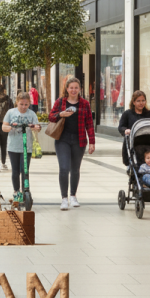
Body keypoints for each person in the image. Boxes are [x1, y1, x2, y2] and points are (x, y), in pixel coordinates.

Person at [48, 77, 95, 210]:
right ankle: (64, 198)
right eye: (71, 87)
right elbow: (51, 117)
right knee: (64, 168)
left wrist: (92, 142)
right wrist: (61, 114)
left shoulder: (85, 104)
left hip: (79, 139)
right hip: (62, 139)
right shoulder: (60, 102)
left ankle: (73, 196)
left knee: (75, 169)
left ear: (79, 89)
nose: (73, 90)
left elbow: (89, 124)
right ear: (67, 89)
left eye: (76, 87)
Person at [2, 92, 41, 194]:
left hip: (26, 147)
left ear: (29, 104)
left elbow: (37, 127)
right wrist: (11, 126)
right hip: (13, 147)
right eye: (21, 104)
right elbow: (4, 127)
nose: (24, 107)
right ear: (17, 102)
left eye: (26, 104)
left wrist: (35, 127)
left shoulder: (31, 114)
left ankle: (25, 190)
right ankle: (16, 191)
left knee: (25, 170)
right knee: (15, 171)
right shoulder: (11, 112)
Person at [117, 90, 150, 166]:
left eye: (143, 100)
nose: (141, 103)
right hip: (133, 144)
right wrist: (125, 130)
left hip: (148, 144)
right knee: (133, 167)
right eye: (138, 101)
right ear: (133, 102)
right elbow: (121, 127)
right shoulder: (127, 114)